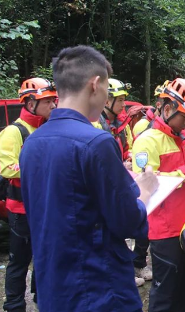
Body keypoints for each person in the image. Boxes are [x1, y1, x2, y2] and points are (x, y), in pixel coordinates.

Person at [19, 45, 158, 312]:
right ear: (95, 84)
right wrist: (145, 193)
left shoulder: (33, 143)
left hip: (54, 287)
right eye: (107, 89)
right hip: (99, 287)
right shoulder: (96, 142)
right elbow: (127, 221)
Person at [132, 78, 185, 312]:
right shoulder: (147, 141)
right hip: (165, 230)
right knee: (165, 293)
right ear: (167, 109)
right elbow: (144, 184)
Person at [0, 78, 56, 312]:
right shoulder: (15, 131)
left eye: (54, 101)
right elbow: (6, 167)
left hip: (45, 207)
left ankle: (41, 298)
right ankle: (13, 305)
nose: (53, 106)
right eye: (48, 101)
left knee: (43, 258)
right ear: (31, 102)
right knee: (19, 261)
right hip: (21, 209)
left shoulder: (47, 127)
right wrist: (39, 169)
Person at [92, 78, 151, 286]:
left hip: (121, 180)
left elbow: (129, 149)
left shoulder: (121, 124)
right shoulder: (96, 124)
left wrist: (127, 159)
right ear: (107, 100)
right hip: (106, 186)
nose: (124, 105)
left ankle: (128, 269)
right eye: (120, 100)